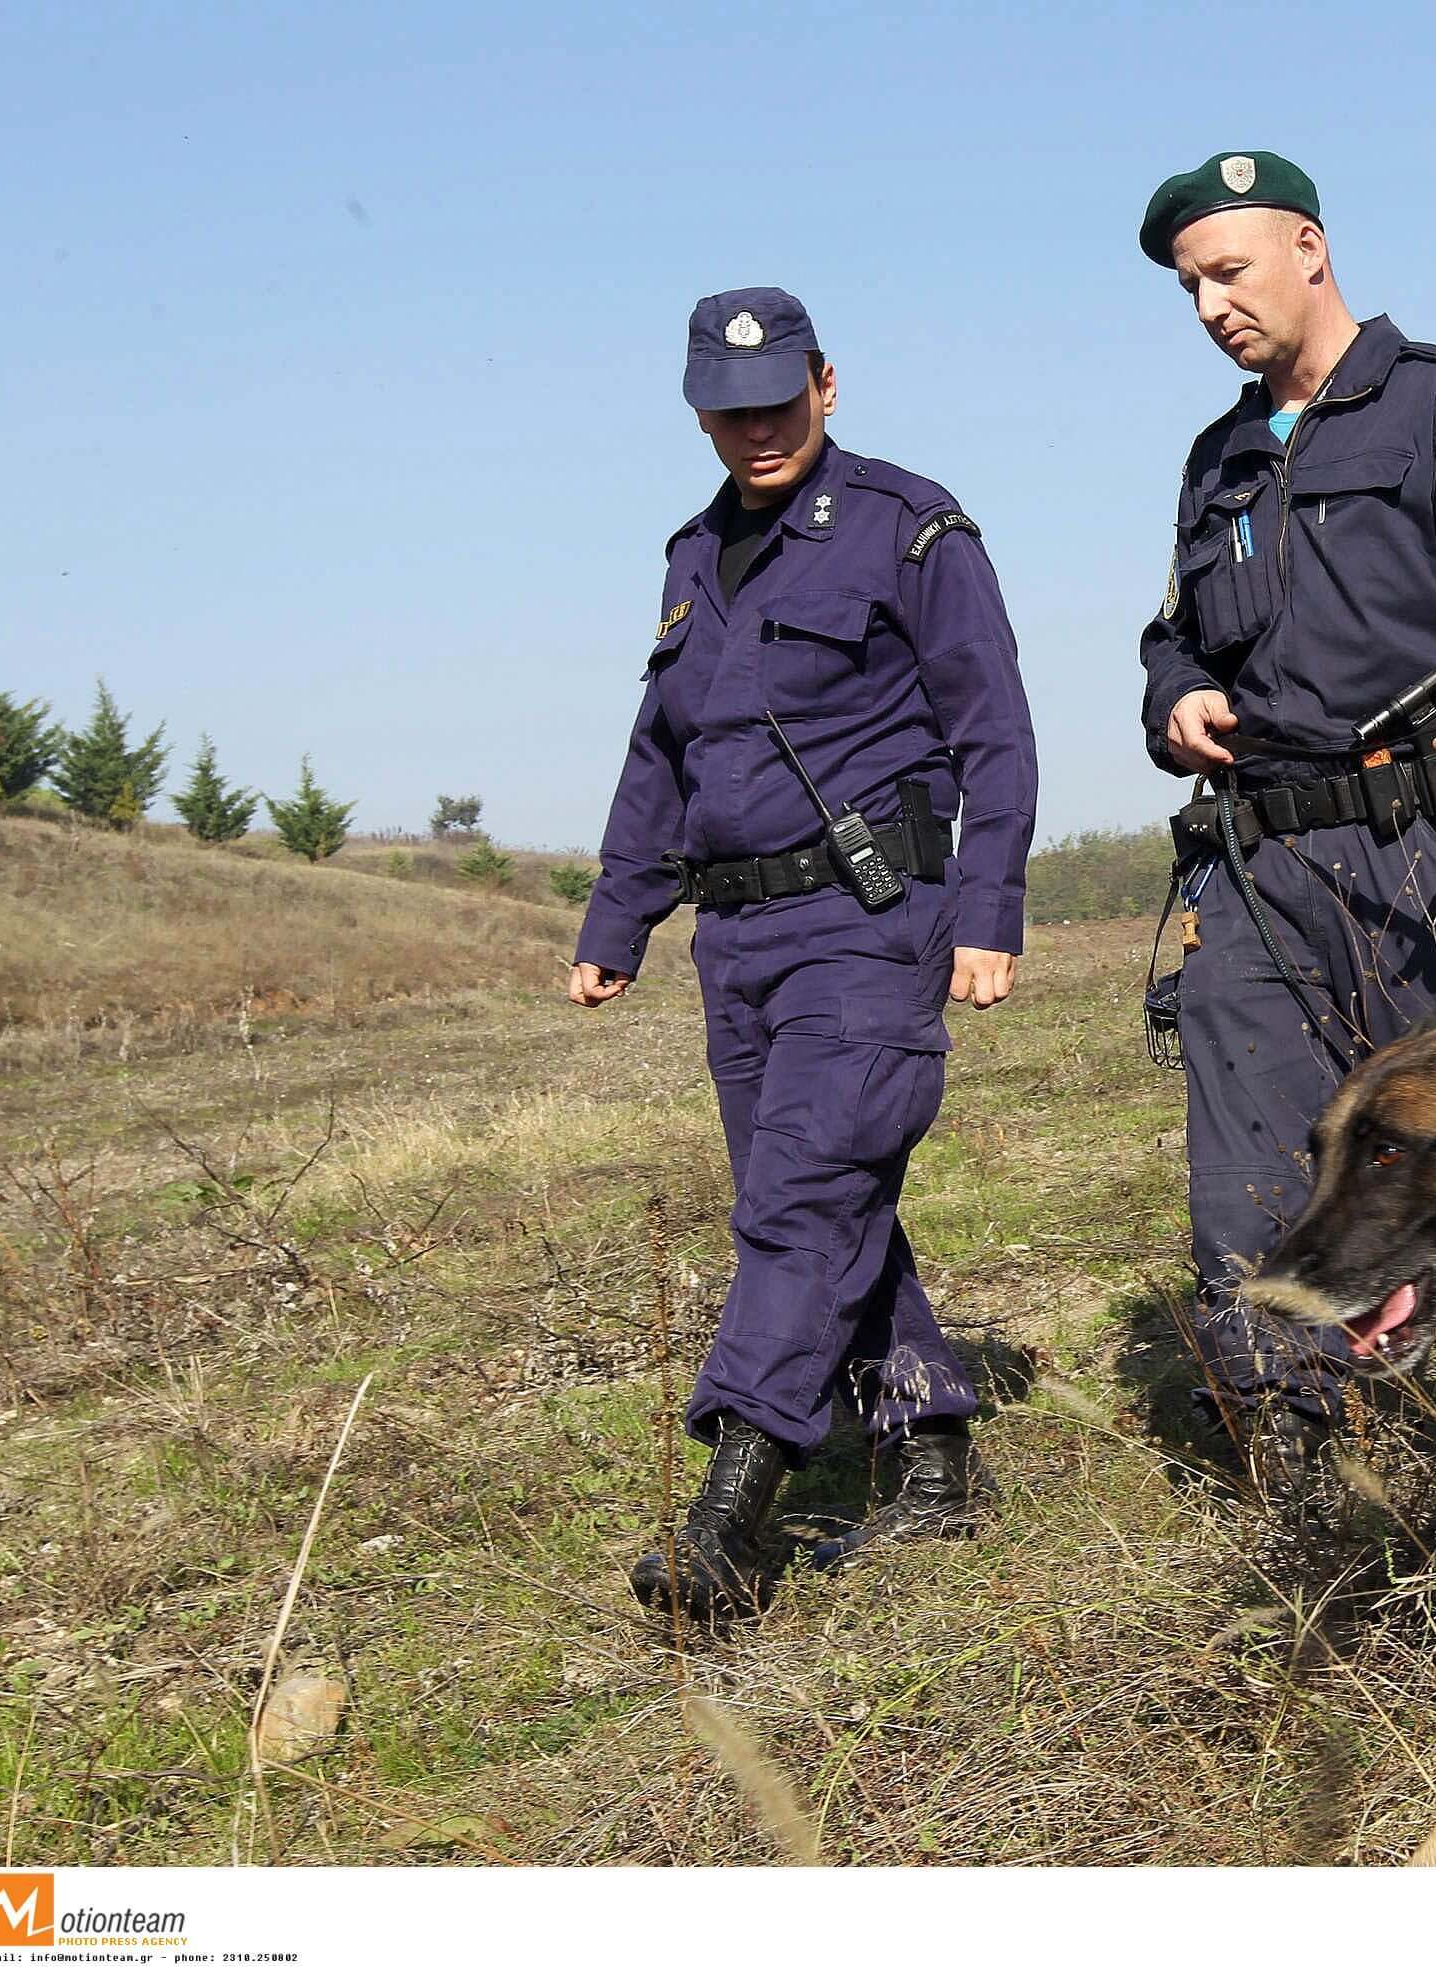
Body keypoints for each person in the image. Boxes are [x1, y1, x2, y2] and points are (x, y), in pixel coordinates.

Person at [1135, 152, 1436, 1491]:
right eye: (1190, 286)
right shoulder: (1216, 459)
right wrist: (1175, 698)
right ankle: (1293, 1442)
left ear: (1310, 248)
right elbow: (1175, 633)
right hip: (1260, 860)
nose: (1212, 304)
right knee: (1250, 1160)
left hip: (1427, 854)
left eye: (1229, 271)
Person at [571, 287, 1038, 1618]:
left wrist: (990, 906)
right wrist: (619, 922)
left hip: (870, 918)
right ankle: (933, 1442)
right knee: (821, 1198)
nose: (757, 427)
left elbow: (993, 724)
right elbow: (663, 755)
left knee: (800, 1200)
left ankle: (734, 1505)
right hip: (739, 939)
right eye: (730, 410)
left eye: (779, 399)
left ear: (827, 384)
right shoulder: (692, 557)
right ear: (698, 414)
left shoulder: (908, 527)